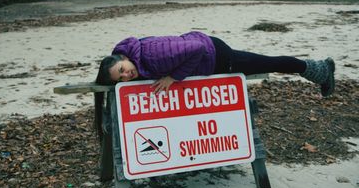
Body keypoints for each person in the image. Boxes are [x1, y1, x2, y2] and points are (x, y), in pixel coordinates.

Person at [94, 31, 335, 139]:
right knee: (266, 62)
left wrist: (172, 78)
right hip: (207, 50)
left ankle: (320, 70)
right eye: (121, 78)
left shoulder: (153, 55)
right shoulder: (135, 59)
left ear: (124, 58)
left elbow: (196, 50)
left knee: (267, 63)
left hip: (216, 56)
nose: (127, 76)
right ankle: (318, 70)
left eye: (123, 70)